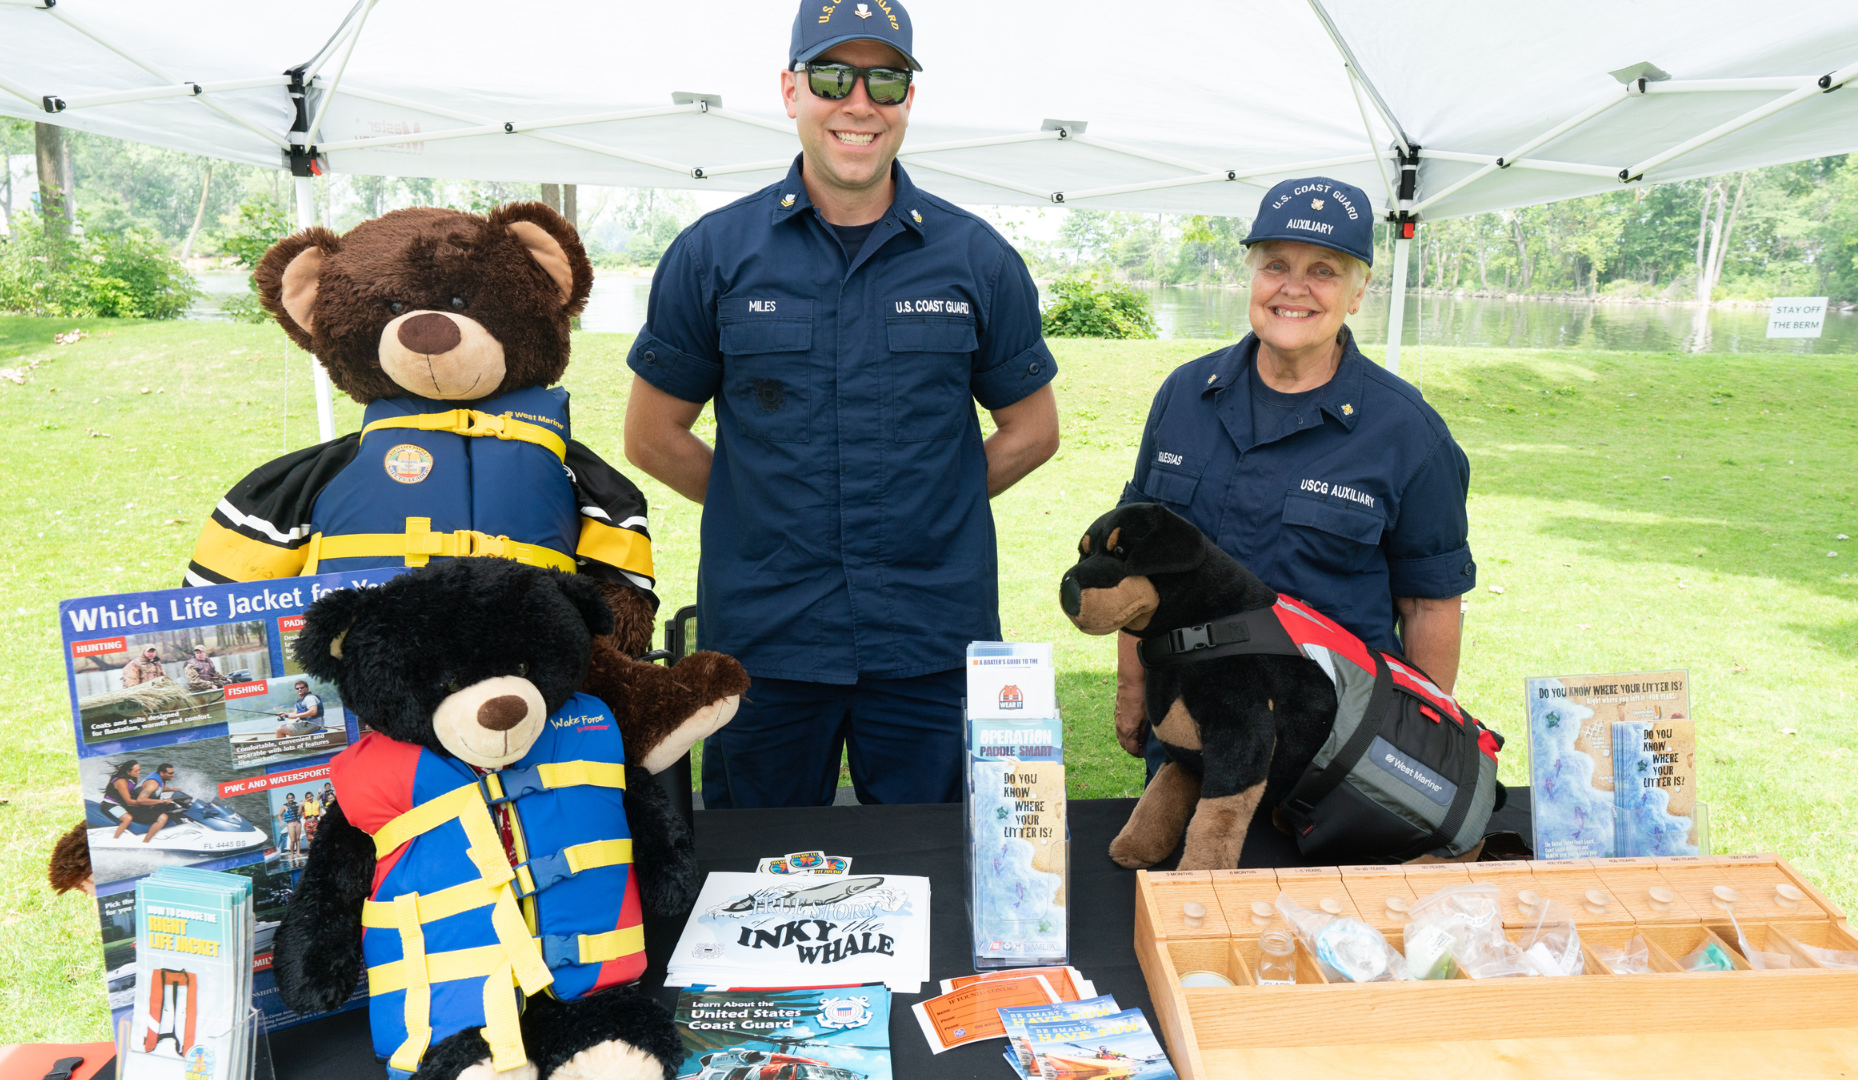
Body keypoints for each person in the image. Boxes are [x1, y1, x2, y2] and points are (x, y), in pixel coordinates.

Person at [623, 0, 1060, 810]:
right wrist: (769, 509)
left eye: (885, 80)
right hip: (767, 635)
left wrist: (936, 499)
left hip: (929, 633)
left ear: (908, 100)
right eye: (832, 76)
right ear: (791, 91)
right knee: (756, 881)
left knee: (936, 868)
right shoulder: (713, 254)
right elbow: (653, 437)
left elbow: (1033, 431)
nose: (859, 102)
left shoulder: (978, 258)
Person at [1117, 177, 1476, 780]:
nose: (1294, 288)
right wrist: (1133, 687)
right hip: (1189, 733)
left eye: (1324, 271)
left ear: (1359, 292)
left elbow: (1429, 607)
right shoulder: (1184, 395)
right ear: (1251, 277)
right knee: (1172, 872)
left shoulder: (1408, 432)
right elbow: (1138, 560)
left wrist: (1414, 745)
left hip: (1331, 755)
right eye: (1276, 264)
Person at [100, 760, 174, 843]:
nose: (139, 772)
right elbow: (129, 802)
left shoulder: (133, 778)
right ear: (128, 772)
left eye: (139, 770)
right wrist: (152, 802)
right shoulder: (121, 782)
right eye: (136, 771)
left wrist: (172, 789)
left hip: (123, 804)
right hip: (111, 805)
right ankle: (114, 840)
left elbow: (144, 789)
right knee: (128, 818)